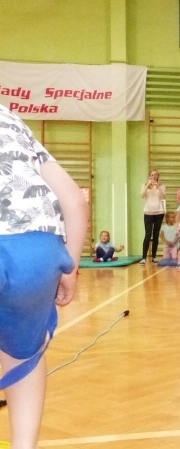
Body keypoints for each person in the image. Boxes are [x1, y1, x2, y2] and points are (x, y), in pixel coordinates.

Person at [0, 103, 89, 448]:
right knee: (27, 353)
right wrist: (70, 266)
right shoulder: (10, 118)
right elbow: (74, 200)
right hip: (36, 253)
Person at [140, 169, 166, 264]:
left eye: (155, 175)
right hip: (148, 212)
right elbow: (142, 195)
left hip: (159, 212)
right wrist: (148, 185)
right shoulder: (144, 185)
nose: (153, 176)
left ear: (158, 176)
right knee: (148, 234)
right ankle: (143, 257)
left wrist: (157, 185)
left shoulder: (162, 186)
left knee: (156, 234)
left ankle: (154, 257)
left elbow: (163, 196)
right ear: (149, 176)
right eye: (151, 175)